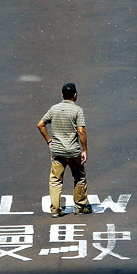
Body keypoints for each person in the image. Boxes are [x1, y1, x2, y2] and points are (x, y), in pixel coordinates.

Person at [37, 83, 92, 218]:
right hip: (73, 151)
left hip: (57, 151)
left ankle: (55, 209)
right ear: (75, 95)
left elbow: (40, 125)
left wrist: (49, 140)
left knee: (56, 180)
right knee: (79, 177)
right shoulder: (77, 110)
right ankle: (79, 206)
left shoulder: (54, 109)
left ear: (62, 95)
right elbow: (81, 131)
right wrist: (84, 149)